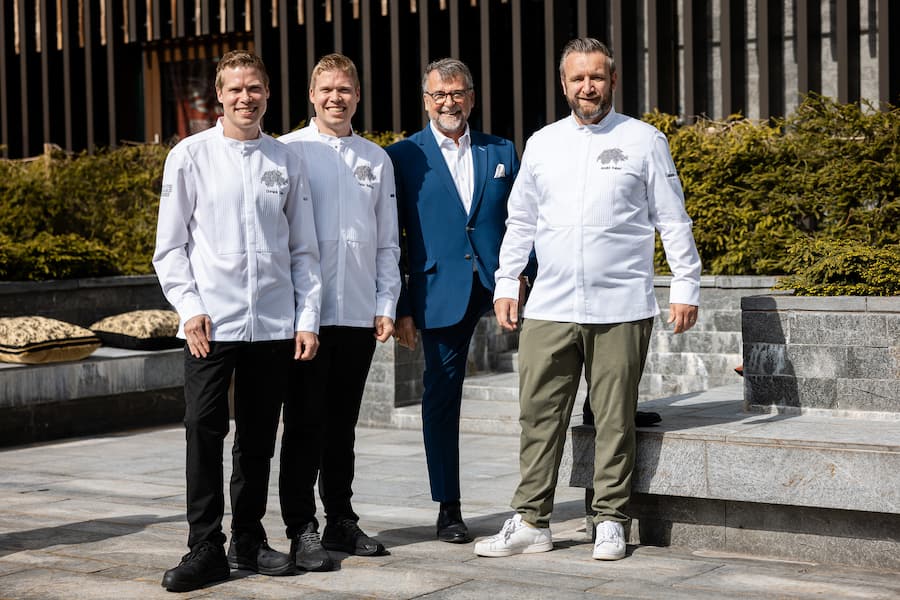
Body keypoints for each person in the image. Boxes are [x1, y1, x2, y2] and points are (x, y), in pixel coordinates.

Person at [474, 37, 701, 562]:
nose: (587, 87)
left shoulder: (645, 140)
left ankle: (610, 520)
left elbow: (672, 219)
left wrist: (686, 285)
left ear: (613, 81)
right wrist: (507, 282)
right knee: (539, 416)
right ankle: (532, 520)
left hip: (621, 306)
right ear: (563, 84)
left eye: (596, 77)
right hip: (550, 306)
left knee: (614, 419)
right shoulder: (542, 143)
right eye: (577, 78)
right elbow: (521, 220)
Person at [153, 50, 322, 592]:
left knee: (256, 437)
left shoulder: (286, 160)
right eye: (235, 89)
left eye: (255, 89)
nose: (245, 98)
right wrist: (190, 305)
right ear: (219, 97)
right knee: (203, 429)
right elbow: (169, 248)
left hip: (272, 324)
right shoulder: (189, 156)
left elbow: (304, 250)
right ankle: (204, 546)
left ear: (268, 95)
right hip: (211, 324)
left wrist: (307, 317)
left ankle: (246, 538)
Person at [386, 58, 523, 543]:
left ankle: (538, 502)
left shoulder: (500, 149)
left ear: (472, 97)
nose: (449, 102)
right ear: (426, 100)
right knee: (441, 398)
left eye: (458, 93)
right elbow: (392, 236)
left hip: (502, 284)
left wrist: (521, 276)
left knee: (560, 368)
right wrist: (401, 305)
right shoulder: (403, 156)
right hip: (440, 289)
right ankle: (449, 507)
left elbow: (522, 219)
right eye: (439, 95)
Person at [277, 53, 401, 570]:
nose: (336, 97)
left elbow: (387, 241)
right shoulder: (287, 150)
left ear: (357, 94)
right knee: (304, 423)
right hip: (304, 317)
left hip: (357, 314)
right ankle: (301, 527)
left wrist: (386, 301)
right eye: (326, 89)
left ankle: (341, 520)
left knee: (343, 426)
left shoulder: (377, 158)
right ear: (311, 94)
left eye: (345, 89)